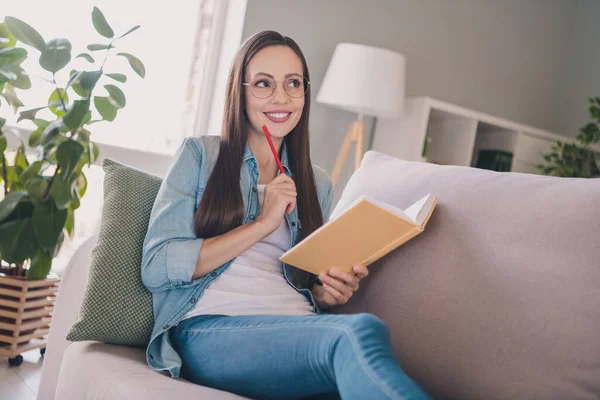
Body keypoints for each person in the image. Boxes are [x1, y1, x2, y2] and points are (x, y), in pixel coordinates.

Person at [140, 30, 431, 400]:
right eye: (263, 83)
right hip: (211, 329)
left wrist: (327, 293)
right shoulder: (200, 157)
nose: (281, 98)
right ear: (240, 92)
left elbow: (304, 282)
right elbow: (157, 265)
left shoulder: (316, 182)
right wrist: (262, 223)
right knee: (357, 333)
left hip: (298, 329)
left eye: (293, 83)